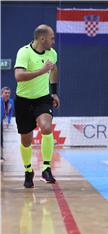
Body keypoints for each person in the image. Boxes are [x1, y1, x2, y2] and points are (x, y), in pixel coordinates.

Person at [14, 24, 60, 188]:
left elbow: (54, 71)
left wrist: (54, 92)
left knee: (46, 127)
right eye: (51, 38)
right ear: (42, 38)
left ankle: (47, 168)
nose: (53, 41)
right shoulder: (24, 52)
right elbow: (18, 76)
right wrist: (42, 71)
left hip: (42, 98)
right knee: (26, 140)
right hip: (23, 100)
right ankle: (28, 170)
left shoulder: (52, 54)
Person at [1, 86, 14, 160]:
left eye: (9, 93)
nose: (7, 94)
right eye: (6, 93)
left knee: (1, 139)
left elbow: (10, 112)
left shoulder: (11, 101)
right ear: (1, 93)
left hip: (2, 121)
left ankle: (1, 156)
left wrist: (8, 122)